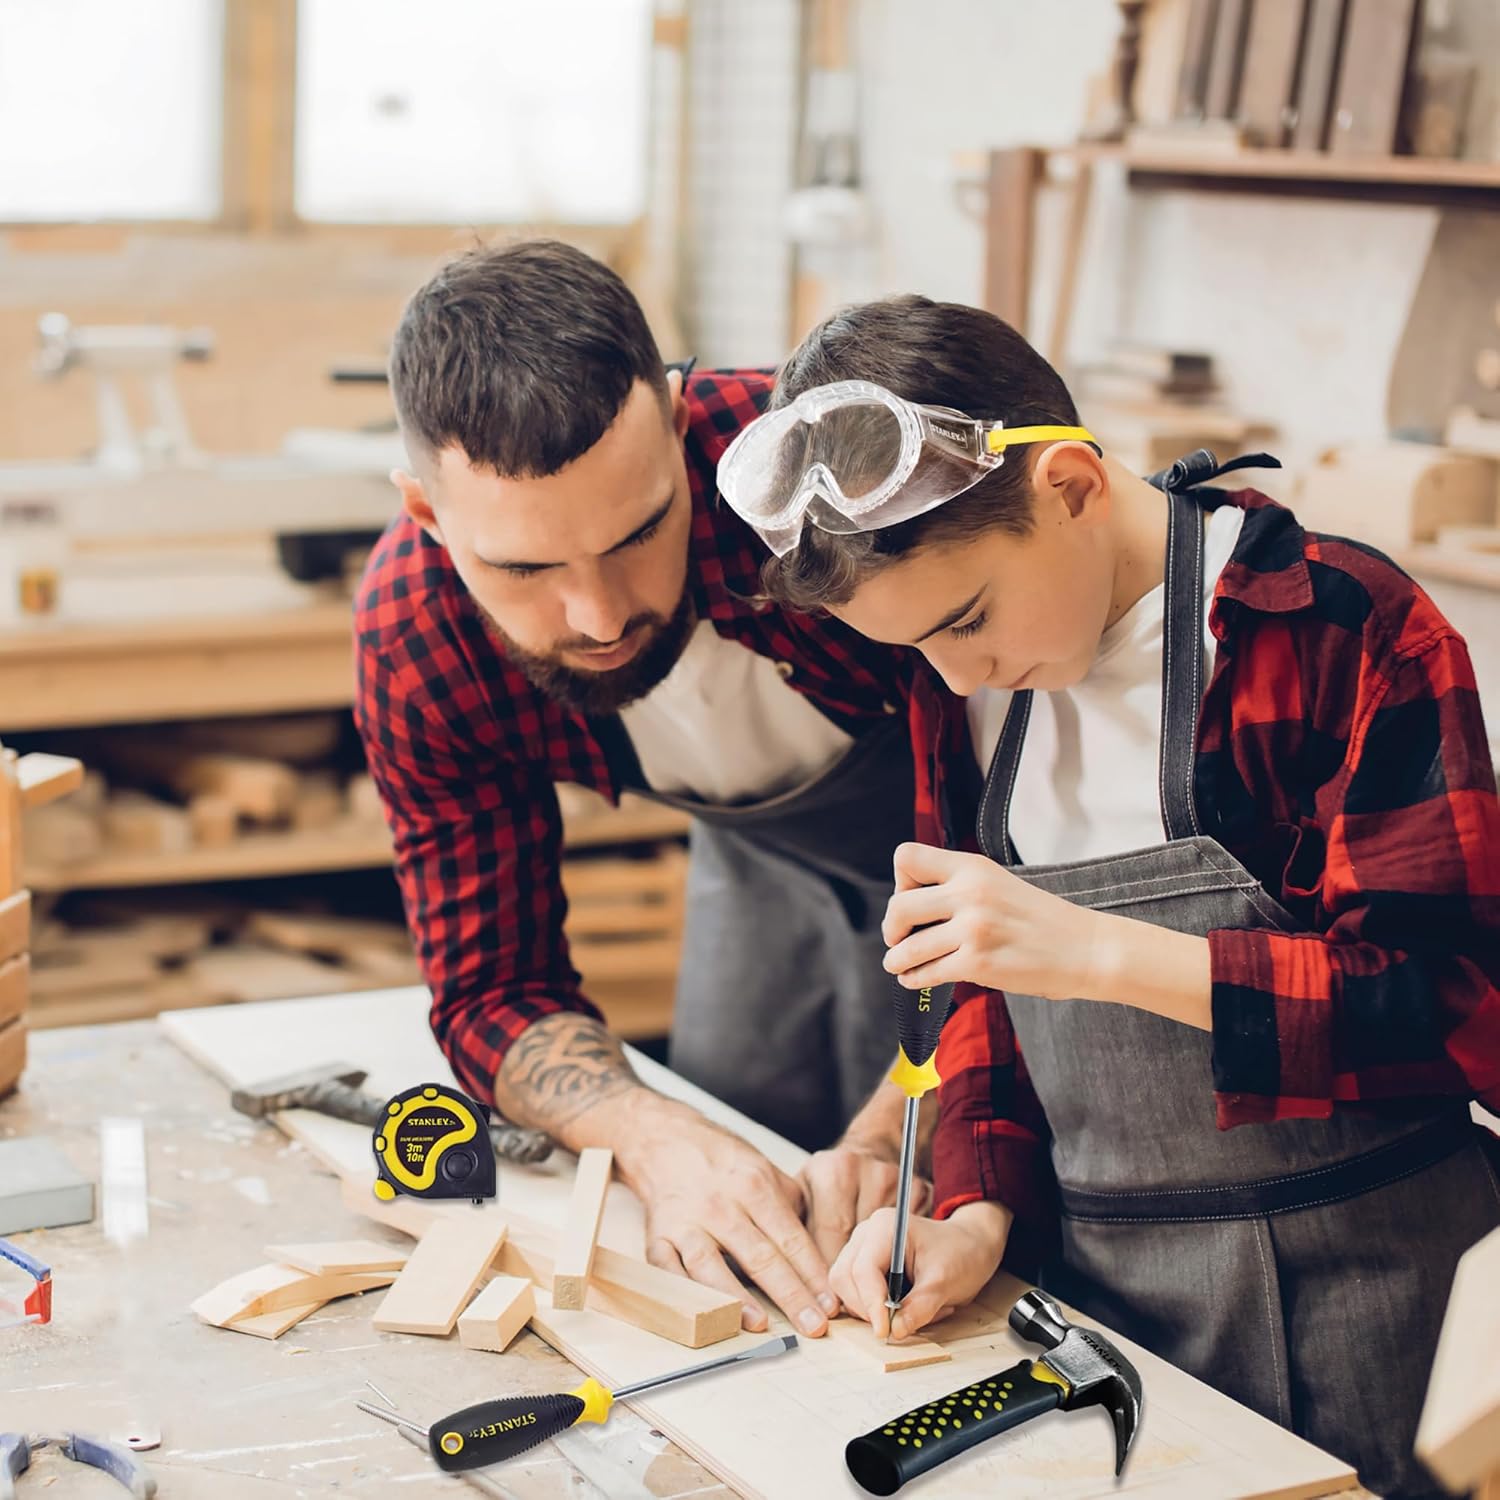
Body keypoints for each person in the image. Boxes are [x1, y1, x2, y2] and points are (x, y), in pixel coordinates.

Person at [717, 292, 1500, 1496]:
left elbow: (1453, 1010)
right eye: (916, 646)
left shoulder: (1345, 627)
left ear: (1072, 485)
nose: (956, 672)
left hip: (1376, 1295)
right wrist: (974, 1212)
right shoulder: (966, 681)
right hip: (1101, 1302)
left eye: (969, 619)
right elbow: (973, 986)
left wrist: (1093, 951)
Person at [353, 240, 934, 1342]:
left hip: (987, 862)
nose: (599, 615)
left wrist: (891, 1135)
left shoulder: (828, 480)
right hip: (759, 862)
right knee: (726, 1135)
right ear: (428, 518)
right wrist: (652, 1133)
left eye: (638, 533)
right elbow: (489, 988)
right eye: (525, 570)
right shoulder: (416, 634)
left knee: (944, 1201)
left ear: (679, 427)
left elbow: (1042, 849)